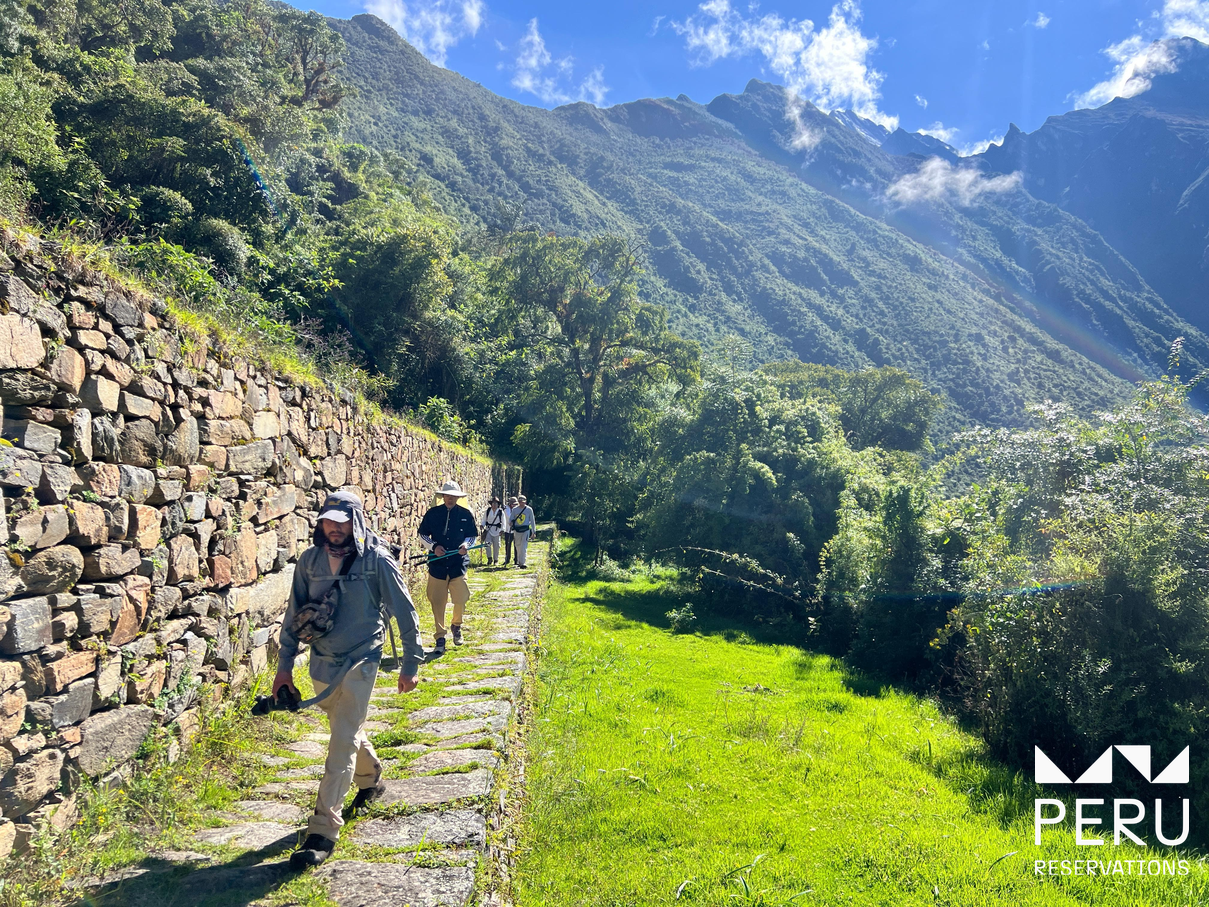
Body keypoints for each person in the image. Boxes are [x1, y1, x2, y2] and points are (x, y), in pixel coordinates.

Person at [274, 491, 423, 869]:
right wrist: (284, 667)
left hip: (362, 660)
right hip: (321, 663)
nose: (335, 528)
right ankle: (371, 778)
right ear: (320, 521)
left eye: (342, 521)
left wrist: (411, 663)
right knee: (345, 728)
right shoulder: (309, 561)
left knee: (340, 741)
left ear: (355, 520)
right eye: (329, 520)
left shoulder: (376, 560)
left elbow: (405, 611)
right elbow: (294, 614)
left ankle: (323, 829)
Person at [417, 480, 479, 654]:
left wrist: (466, 546)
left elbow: (472, 536)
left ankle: (456, 625)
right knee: (437, 601)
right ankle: (440, 637)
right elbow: (422, 534)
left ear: (457, 498)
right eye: (447, 495)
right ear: (443, 496)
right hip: (437, 565)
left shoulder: (466, 514)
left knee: (461, 597)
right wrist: (434, 547)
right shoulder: (433, 513)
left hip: (457, 564)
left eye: (453, 496)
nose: (450, 498)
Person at [511, 494, 536, 569]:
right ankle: (519, 561)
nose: (522, 503)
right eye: (520, 501)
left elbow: (532, 521)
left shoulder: (529, 510)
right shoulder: (515, 509)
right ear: (518, 502)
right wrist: (511, 522)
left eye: (523, 501)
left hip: (525, 530)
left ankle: (523, 562)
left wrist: (533, 531)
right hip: (517, 529)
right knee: (518, 545)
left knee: (523, 546)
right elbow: (511, 518)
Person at [482, 496, 505, 565]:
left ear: (498, 504)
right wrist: (482, 525)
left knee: (496, 546)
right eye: (493, 503)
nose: (494, 505)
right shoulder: (488, 511)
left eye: (496, 503)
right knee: (487, 544)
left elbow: (503, 522)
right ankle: (489, 558)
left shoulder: (501, 512)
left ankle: (496, 560)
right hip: (488, 529)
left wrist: (502, 530)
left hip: (497, 530)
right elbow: (484, 520)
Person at [502, 495, 519, 566]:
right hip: (508, 529)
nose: (514, 505)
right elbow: (510, 517)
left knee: (516, 545)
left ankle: (516, 559)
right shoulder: (506, 509)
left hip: (516, 530)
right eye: (513, 504)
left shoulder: (517, 509)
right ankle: (507, 558)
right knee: (508, 545)